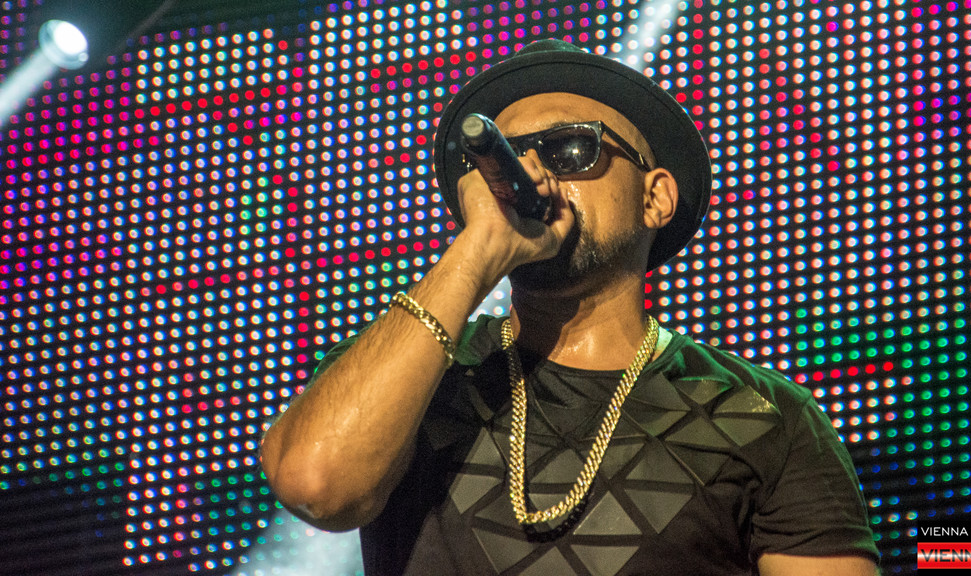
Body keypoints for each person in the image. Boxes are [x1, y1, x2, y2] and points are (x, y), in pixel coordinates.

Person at [259, 39, 881, 576]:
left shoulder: (763, 415)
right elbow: (317, 486)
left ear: (655, 198)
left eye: (571, 149)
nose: (535, 174)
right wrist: (474, 252)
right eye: (511, 157)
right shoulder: (415, 371)